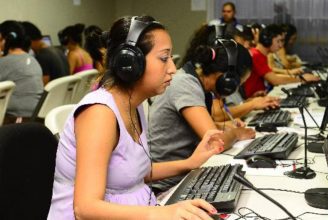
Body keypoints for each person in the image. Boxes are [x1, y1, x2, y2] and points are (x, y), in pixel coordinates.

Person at [48, 16, 223, 220]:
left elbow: (133, 172)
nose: (173, 69)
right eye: (164, 58)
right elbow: (85, 209)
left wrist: (189, 163)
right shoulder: (100, 113)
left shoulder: (135, 105)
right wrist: (162, 213)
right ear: (131, 62)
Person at [148, 39, 256, 194]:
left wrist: (221, 126)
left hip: (184, 175)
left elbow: (189, 128)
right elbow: (215, 142)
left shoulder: (196, 82)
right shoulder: (185, 84)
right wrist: (236, 134)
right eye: (237, 84)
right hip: (165, 185)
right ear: (226, 78)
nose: (234, 89)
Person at [244, 24, 320, 98]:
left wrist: (297, 77)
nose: (281, 45)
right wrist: (301, 79)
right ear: (267, 40)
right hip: (254, 100)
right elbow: (275, 80)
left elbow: (273, 75)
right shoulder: (256, 55)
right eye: (278, 41)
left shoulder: (260, 55)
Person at [212, 44, 280, 121]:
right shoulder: (212, 87)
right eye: (238, 84)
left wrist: (251, 101)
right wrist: (252, 104)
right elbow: (217, 115)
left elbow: (231, 107)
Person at [0, 20, 43, 123]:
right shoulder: (32, 59)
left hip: (16, 120)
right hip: (36, 118)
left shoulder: (5, 62)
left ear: (5, 40)